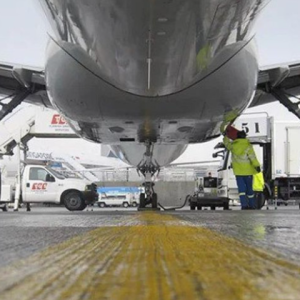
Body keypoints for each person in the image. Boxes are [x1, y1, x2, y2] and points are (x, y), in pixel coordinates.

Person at [223, 130, 261, 209]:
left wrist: (225, 136)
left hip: (238, 172)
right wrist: (257, 166)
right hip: (248, 172)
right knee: (250, 190)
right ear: (244, 136)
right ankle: (252, 205)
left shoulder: (233, 146)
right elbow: (252, 157)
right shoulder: (248, 145)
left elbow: (226, 144)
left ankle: (244, 205)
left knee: (241, 190)